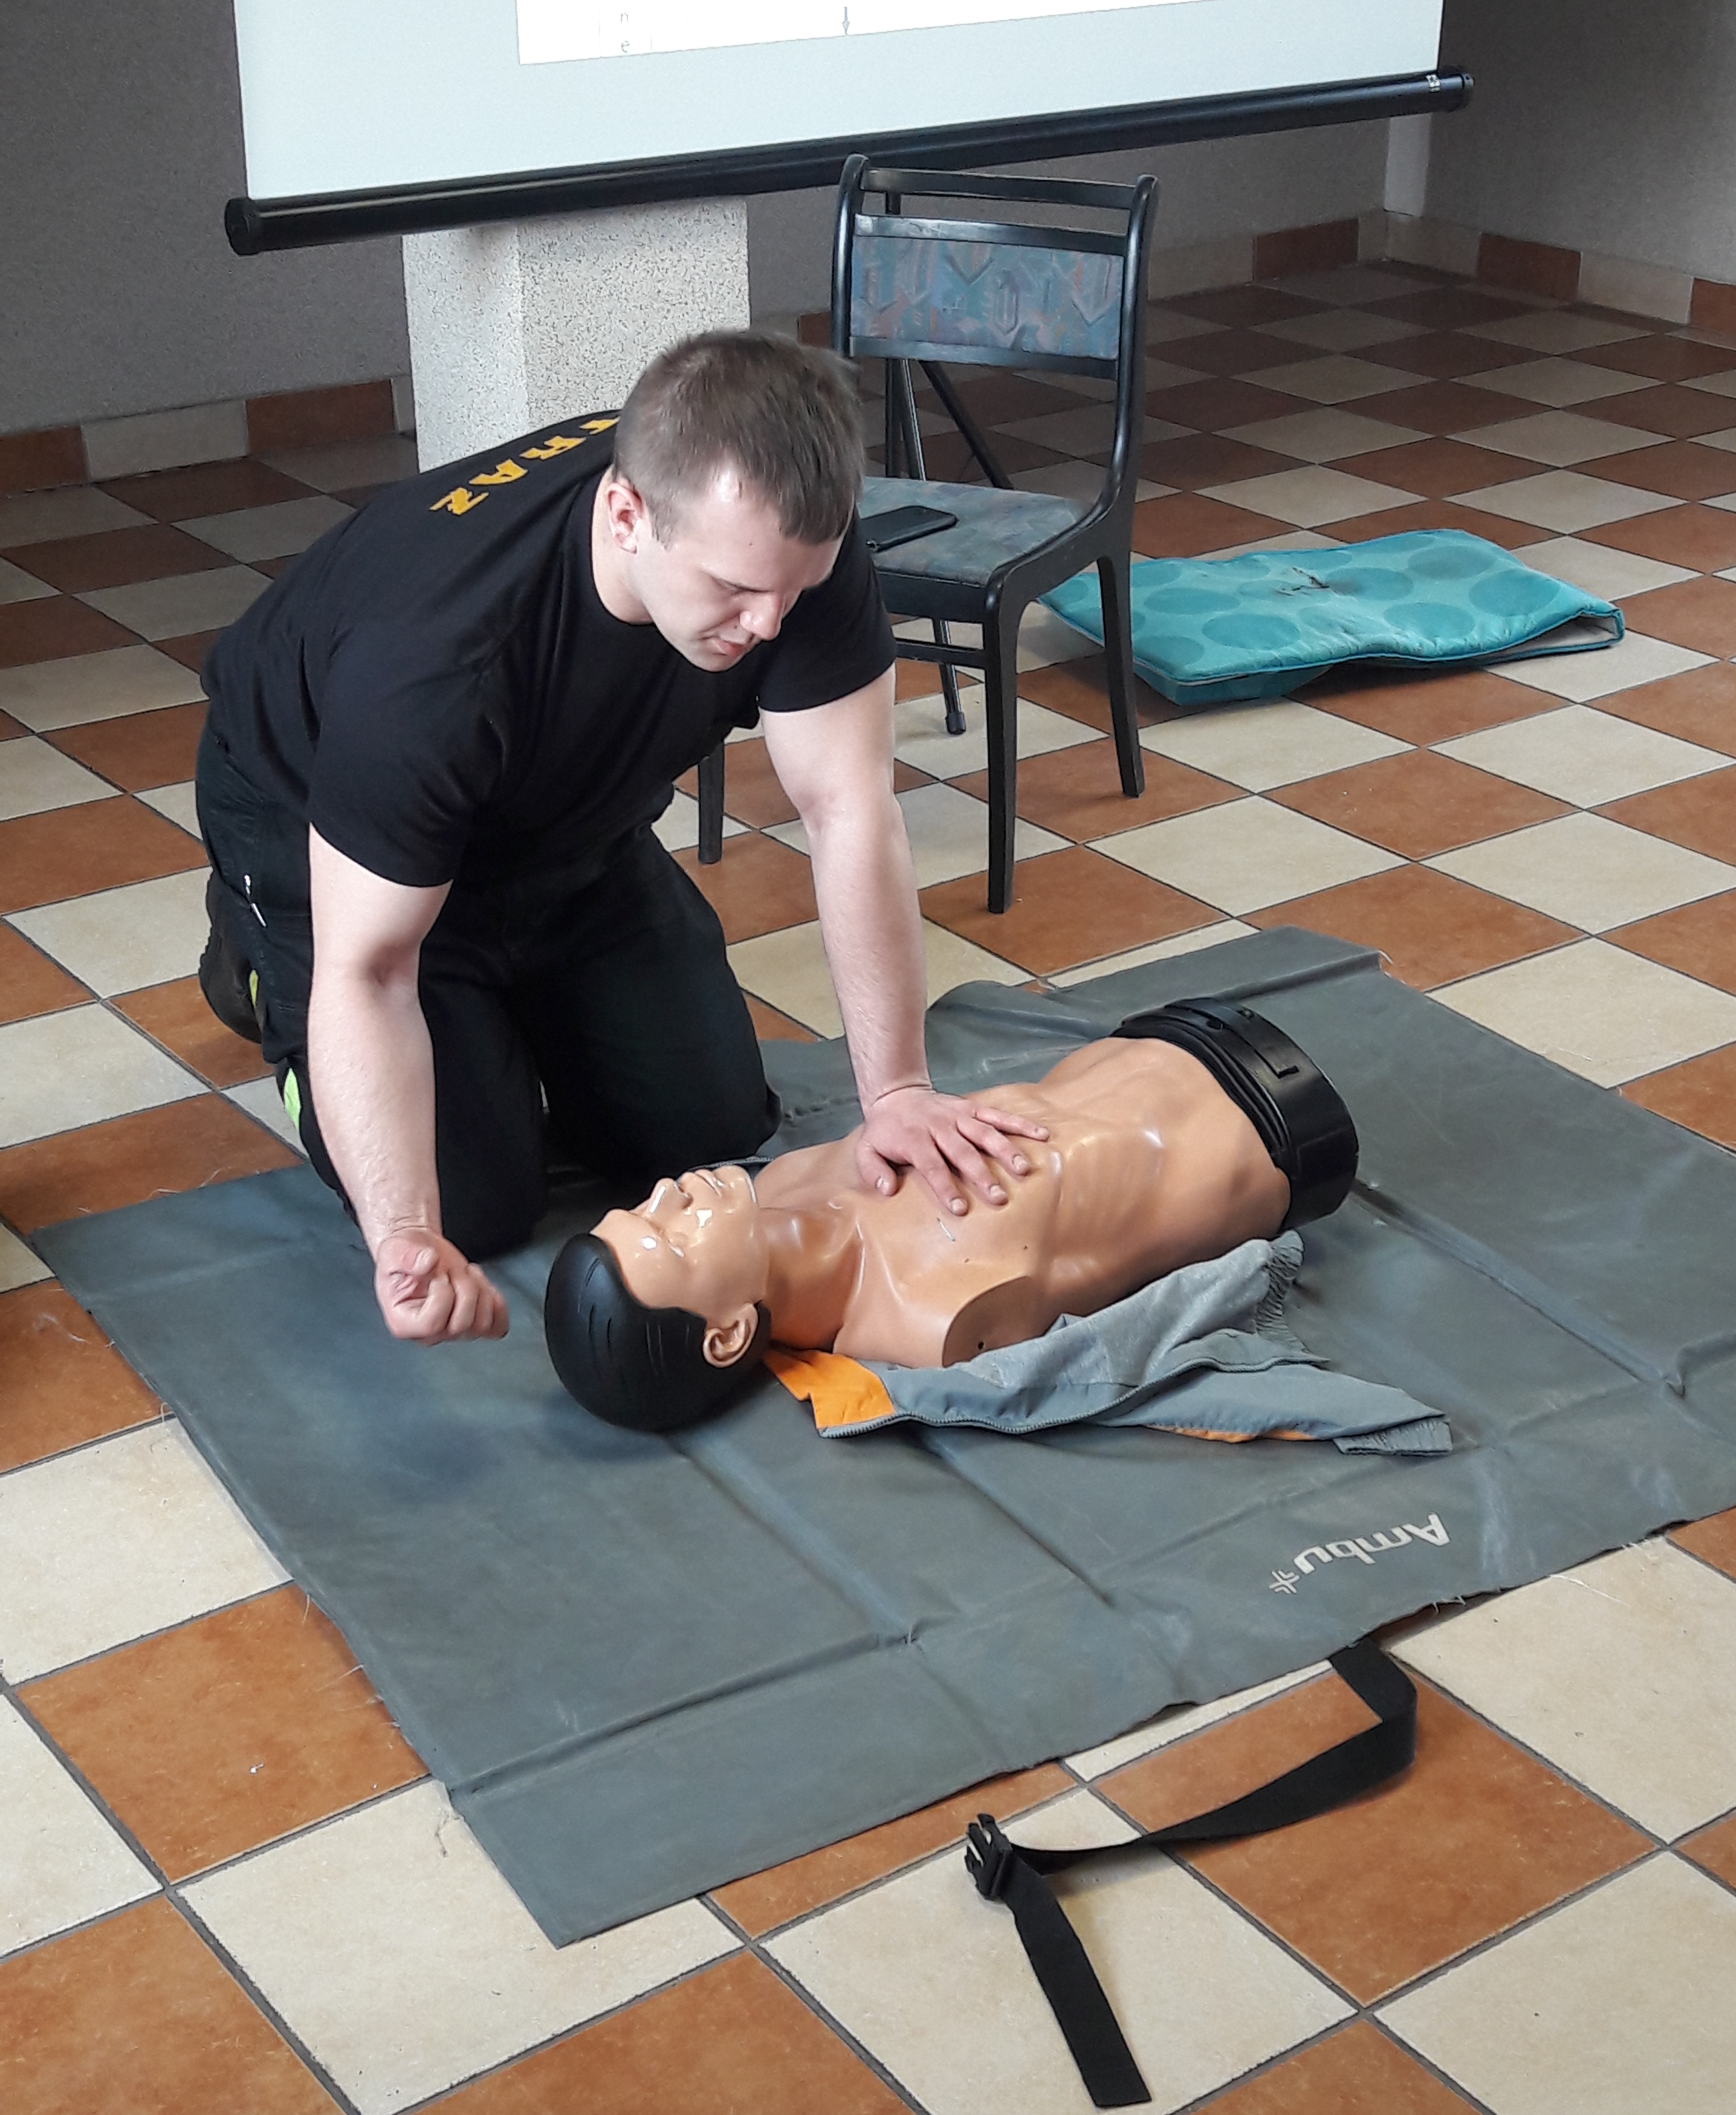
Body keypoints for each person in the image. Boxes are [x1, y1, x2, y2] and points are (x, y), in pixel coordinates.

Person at [195, 332, 1046, 1348]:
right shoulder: (430, 664)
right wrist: (404, 1233)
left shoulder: (784, 554)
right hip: (312, 825)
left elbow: (849, 810)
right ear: (627, 515)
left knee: (710, 1135)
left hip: (562, 826)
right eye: (735, 592)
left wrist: (899, 1090)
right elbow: (370, 972)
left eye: (795, 589)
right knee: (471, 1205)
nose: (770, 626)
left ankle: (516, 992)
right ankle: (257, 964)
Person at [545, 996, 1359, 1430]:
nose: (669, 1193)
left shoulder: (789, 1179)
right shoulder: (928, 1318)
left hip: (1156, 1034)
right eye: (670, 1237)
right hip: (1274, 1136)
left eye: (640, 1207)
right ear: (726, 1335)